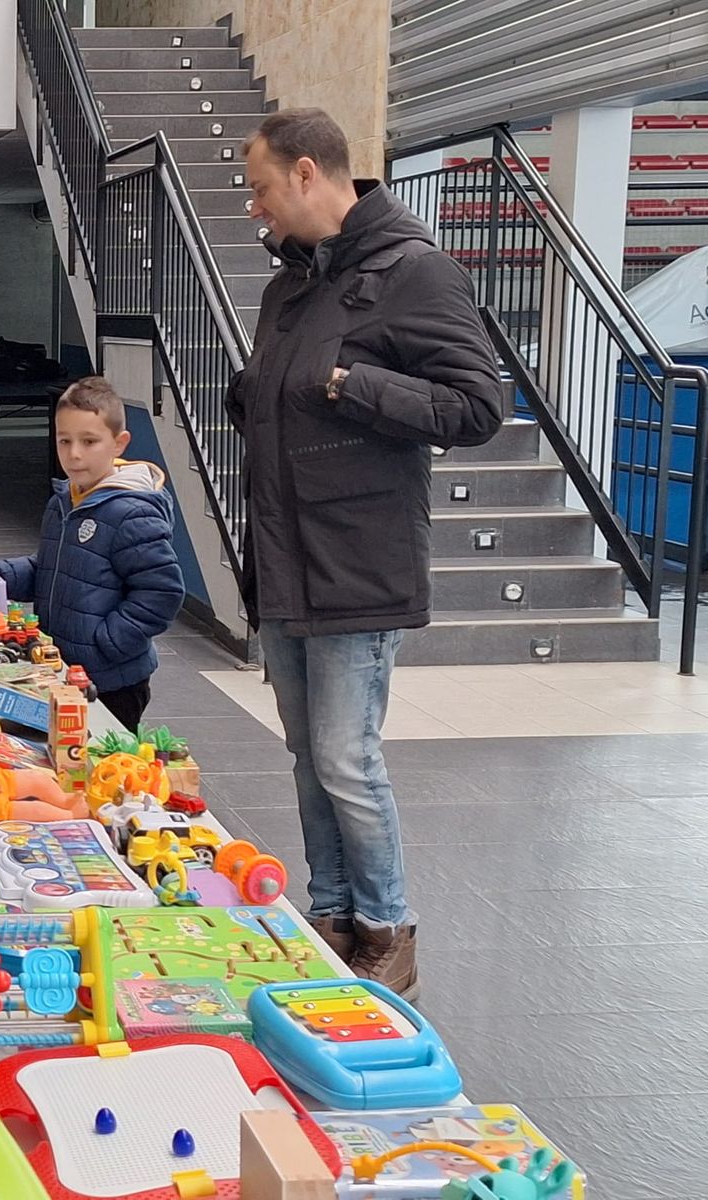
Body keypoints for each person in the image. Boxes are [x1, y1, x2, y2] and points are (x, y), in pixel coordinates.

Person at [228, 108, 502, 997]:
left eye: (261, 188)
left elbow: (476, 408)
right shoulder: (292, 287)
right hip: (284, 558)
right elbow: (288, 393)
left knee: (348, 757)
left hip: (358, 561)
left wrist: (354, 385)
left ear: (308, 173)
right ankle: (334, 911)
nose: (254, 208)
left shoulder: (414, 272)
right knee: (308, 754)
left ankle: (389, 927)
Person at [0, 377, 186, 732]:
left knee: (101, 771)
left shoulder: (131, 513)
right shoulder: (65, 500)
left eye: (89, 441)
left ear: (118, 443)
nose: (74, 453)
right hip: (62, 672)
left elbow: (162, 593)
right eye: (64, 441)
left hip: (111, 683)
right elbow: (54, 567)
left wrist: (105, 643)